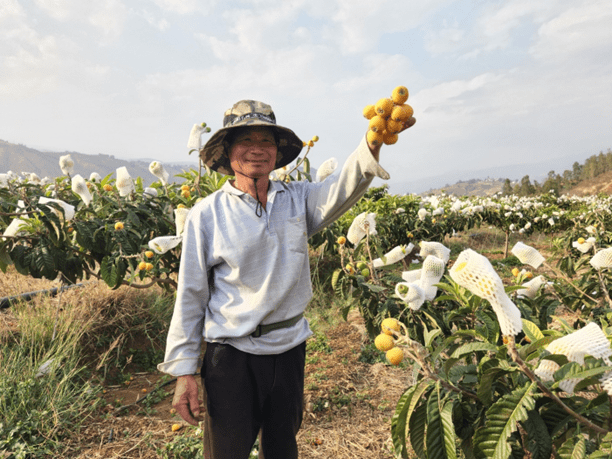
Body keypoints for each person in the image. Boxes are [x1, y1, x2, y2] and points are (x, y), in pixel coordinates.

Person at [157, 99, 415, 459]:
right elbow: (191, 295)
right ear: (228, 151)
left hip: (289, 350)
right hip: (231, 356)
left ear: (278, 153)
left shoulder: (299, 199)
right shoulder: (207, 214)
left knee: (282, 448)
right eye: (246, 140)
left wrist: (373, 142)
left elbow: (344, 187)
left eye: (266, 141)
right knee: (227, 452)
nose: (257, 149)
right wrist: (184, 371)